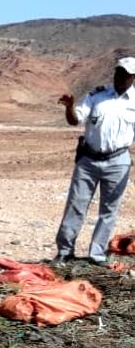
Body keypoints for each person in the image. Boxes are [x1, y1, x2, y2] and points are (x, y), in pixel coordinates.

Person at [54, 57, 135, 265]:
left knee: (109, 210)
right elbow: (74, 120)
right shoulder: (97, 96)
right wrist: (69, 107)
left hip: (118, 161)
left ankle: (96, 255)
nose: (120, 77)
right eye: (118, 72)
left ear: (132, 78)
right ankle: (65, 251)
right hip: (89, 160)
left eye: (125, 74)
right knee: (76, 205)